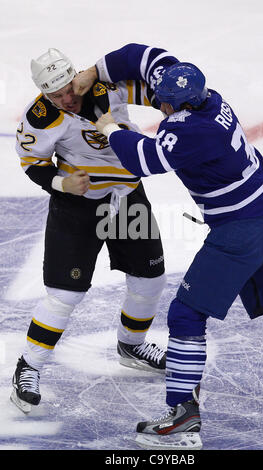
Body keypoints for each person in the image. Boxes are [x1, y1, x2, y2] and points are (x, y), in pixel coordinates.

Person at [73, 43, 263, 450]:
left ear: (175, 106)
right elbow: (147, 57)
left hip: (240, 231)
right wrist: (95, 70)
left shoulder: (191, 130)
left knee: (185, 314)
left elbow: (143, 159)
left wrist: (108, 127)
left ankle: (182, 416)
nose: (158, 107)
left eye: (162, 104)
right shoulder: (207, 97)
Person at [11, 47, 170, 414]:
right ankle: (28, 367)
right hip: (77, 205)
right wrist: (62, 184)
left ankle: (132, 345)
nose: (67, 99)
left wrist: (176, 108)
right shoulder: (40, 118)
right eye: (55, 95)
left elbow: (157, 93)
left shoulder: (106, 86)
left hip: (126, 196)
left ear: (75, 76)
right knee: (64, 295)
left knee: (149, 280)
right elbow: (33, 163)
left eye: (69, 88)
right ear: (43, 93)